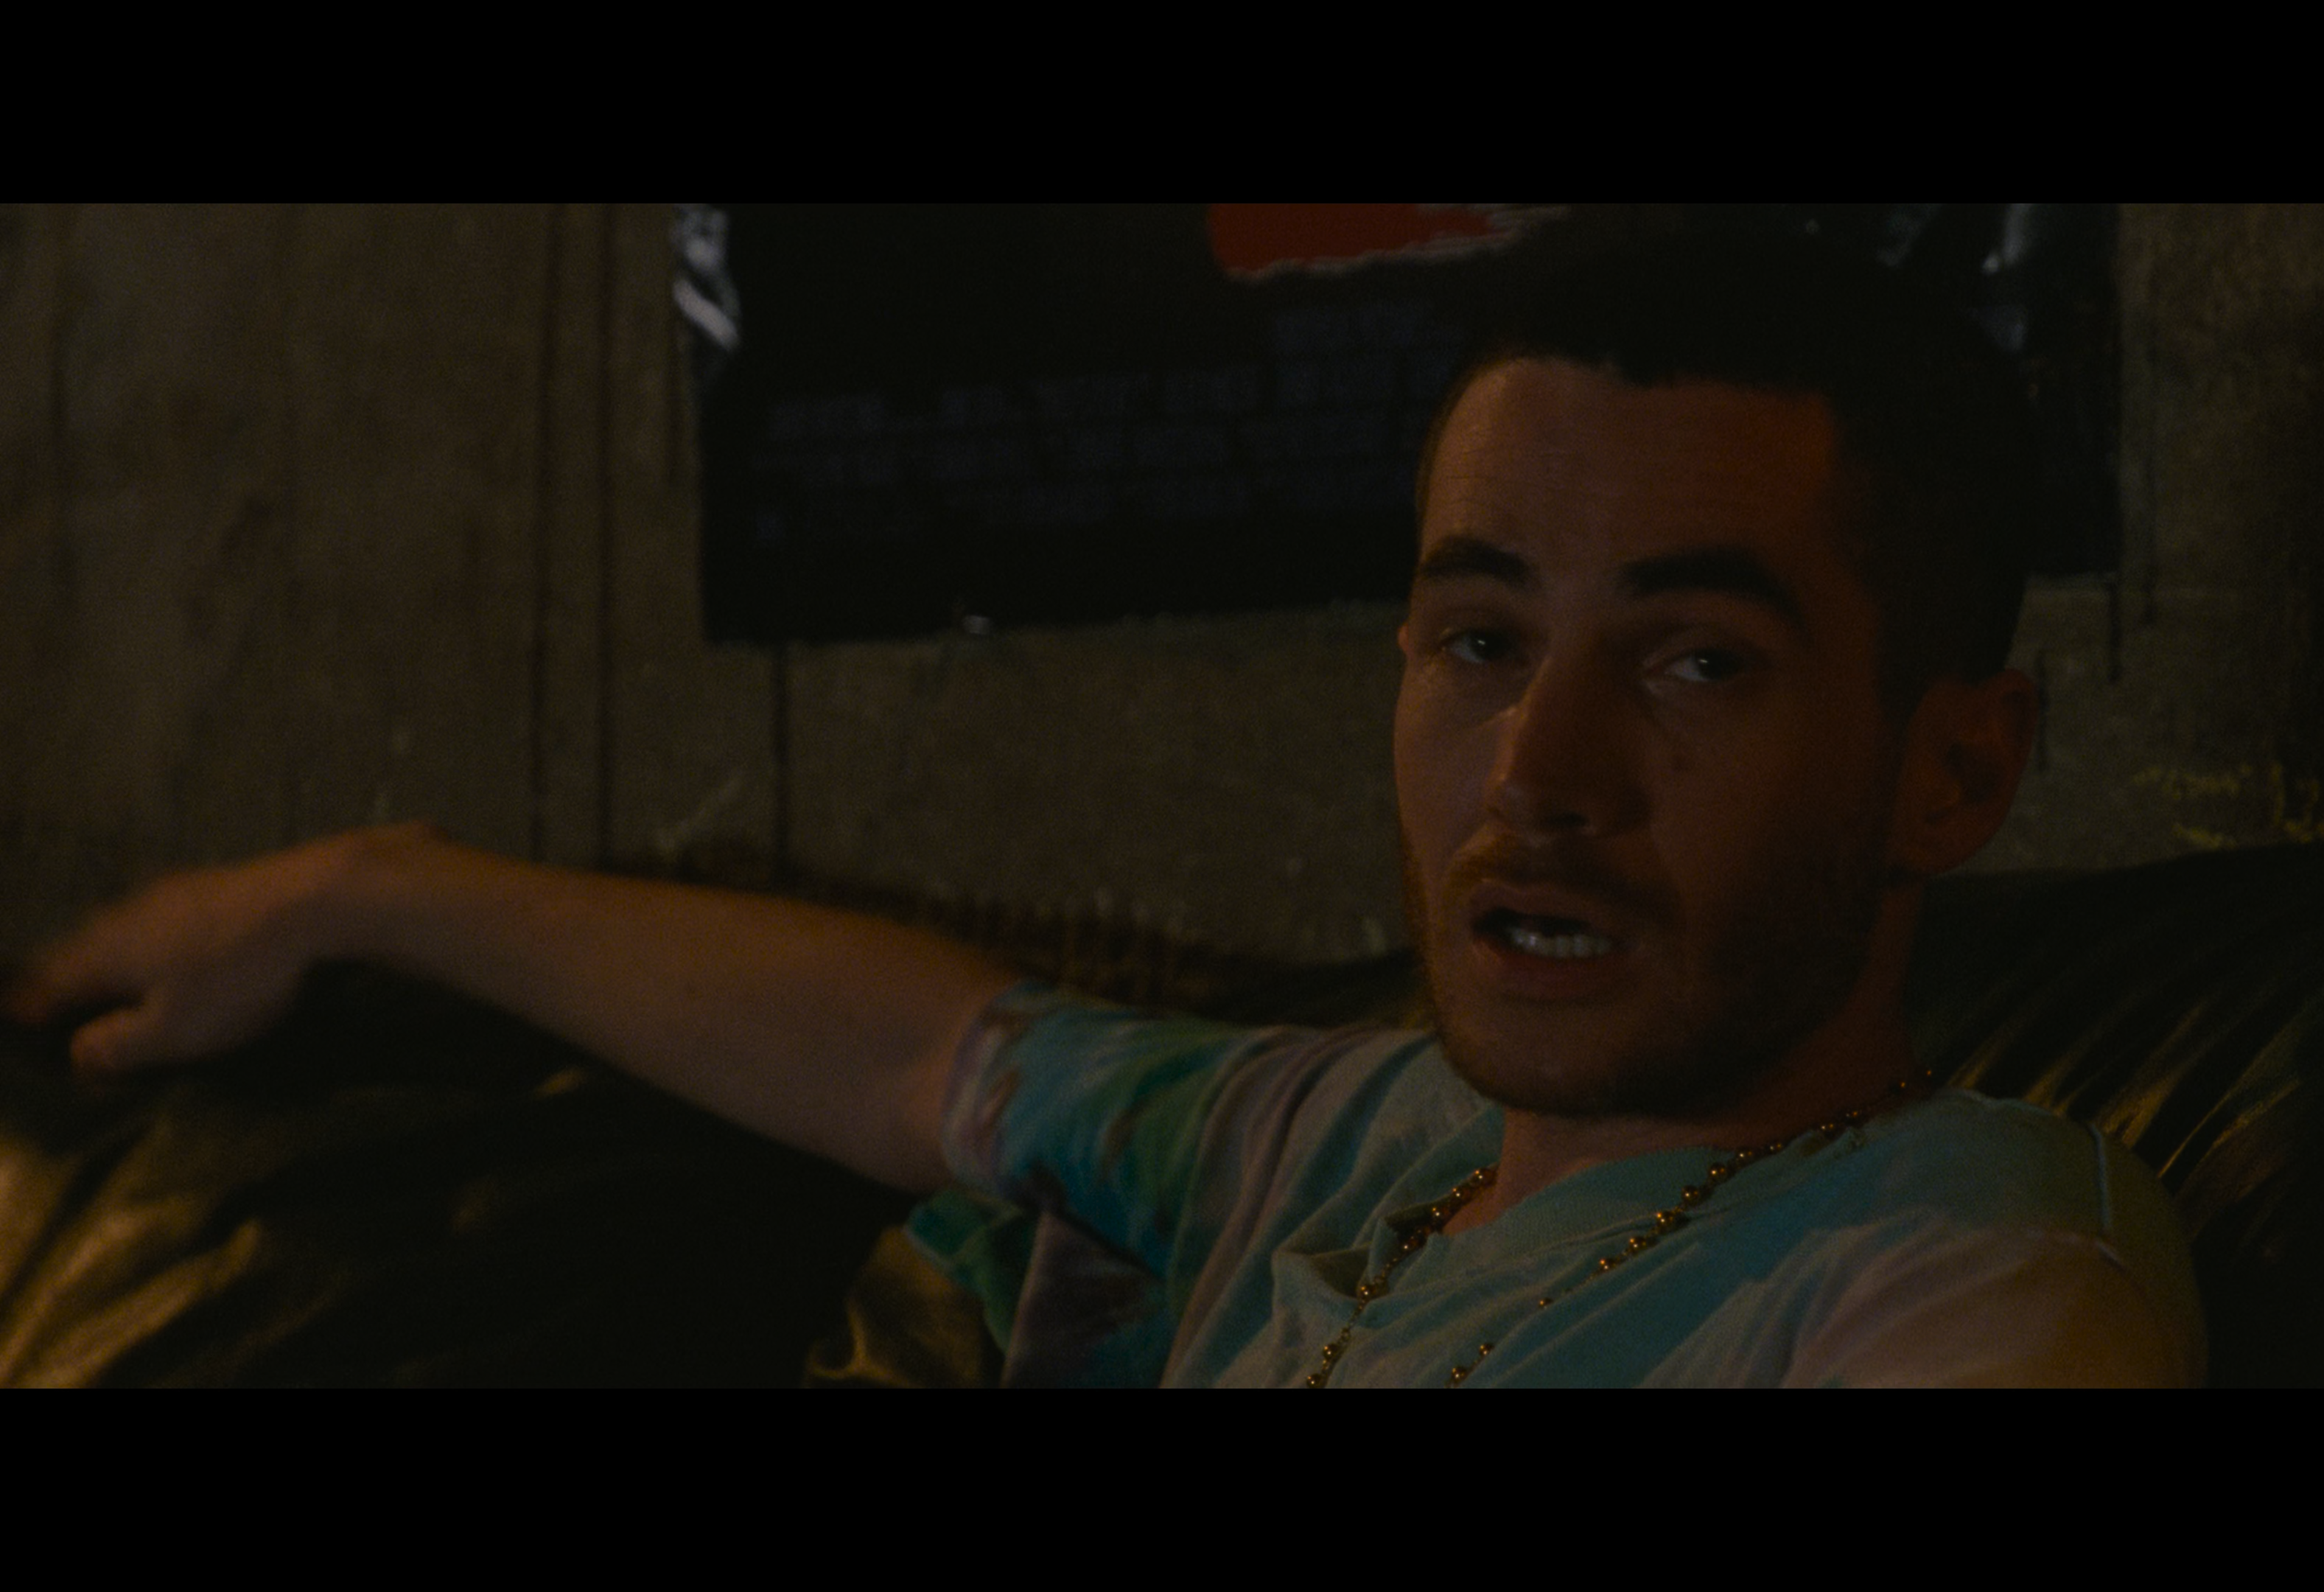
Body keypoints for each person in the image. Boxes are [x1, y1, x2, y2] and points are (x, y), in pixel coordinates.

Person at [3, 234, 2203, 1386]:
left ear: (1957, 764)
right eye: (1476, 639)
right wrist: (360, 891)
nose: (1539, 776)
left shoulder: (1967, 1258)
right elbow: (927, 1058)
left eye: (1697, 661)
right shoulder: (1342, 1133)